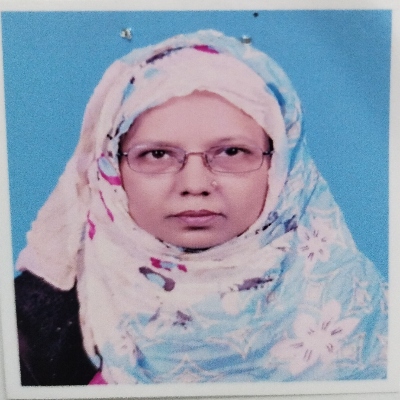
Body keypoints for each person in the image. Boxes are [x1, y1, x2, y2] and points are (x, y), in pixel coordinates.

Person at [14, 30, 387, 386]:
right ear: (111, 168)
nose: (194, 184)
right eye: (157, 154)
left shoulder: (359, 304)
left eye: (232, 152)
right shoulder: (31, 323)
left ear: (283, 168)